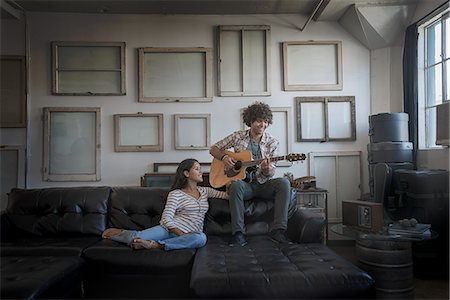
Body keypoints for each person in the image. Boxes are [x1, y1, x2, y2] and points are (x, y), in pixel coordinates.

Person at [209, 101, 291, 246]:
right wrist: (224, 157)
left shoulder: (272, 142)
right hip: (244, 186)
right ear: (251, 120)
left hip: (263, 184)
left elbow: (271, 171)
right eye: (259, 121)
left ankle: (278, 231)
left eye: (266, 121)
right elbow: (214, 149)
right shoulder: (237, 137)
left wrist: (267, 169)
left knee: (284, 183)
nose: (263, 125)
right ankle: (238, 234)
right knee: (235, 186)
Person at [102, 158, 228, 250]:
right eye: (197, 169)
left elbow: (227, 195)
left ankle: (155, 245)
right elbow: (166, 219)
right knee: (135, 238)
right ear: (186, 173)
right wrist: (181, 234)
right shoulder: (176, 194)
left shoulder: (205, 191)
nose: (201, 172)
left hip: (191, 236)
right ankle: (116, 233)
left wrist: (230, 180)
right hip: (169, 231)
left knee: (201, 239)